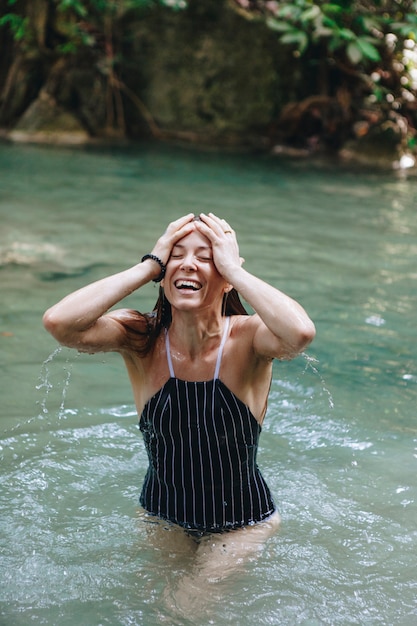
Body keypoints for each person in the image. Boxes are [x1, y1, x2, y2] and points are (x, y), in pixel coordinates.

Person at [43, 212, 315, 609]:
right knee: (144, 607)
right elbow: (60, 323)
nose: (187, 263)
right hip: (161, 515)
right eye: (177, 255)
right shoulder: (142, 337)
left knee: (180, 609)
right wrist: (148, 266)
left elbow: (300, 333)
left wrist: (234, 269)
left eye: (205, 257)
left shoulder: (248, 339)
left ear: (224, 276)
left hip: (241, 523)